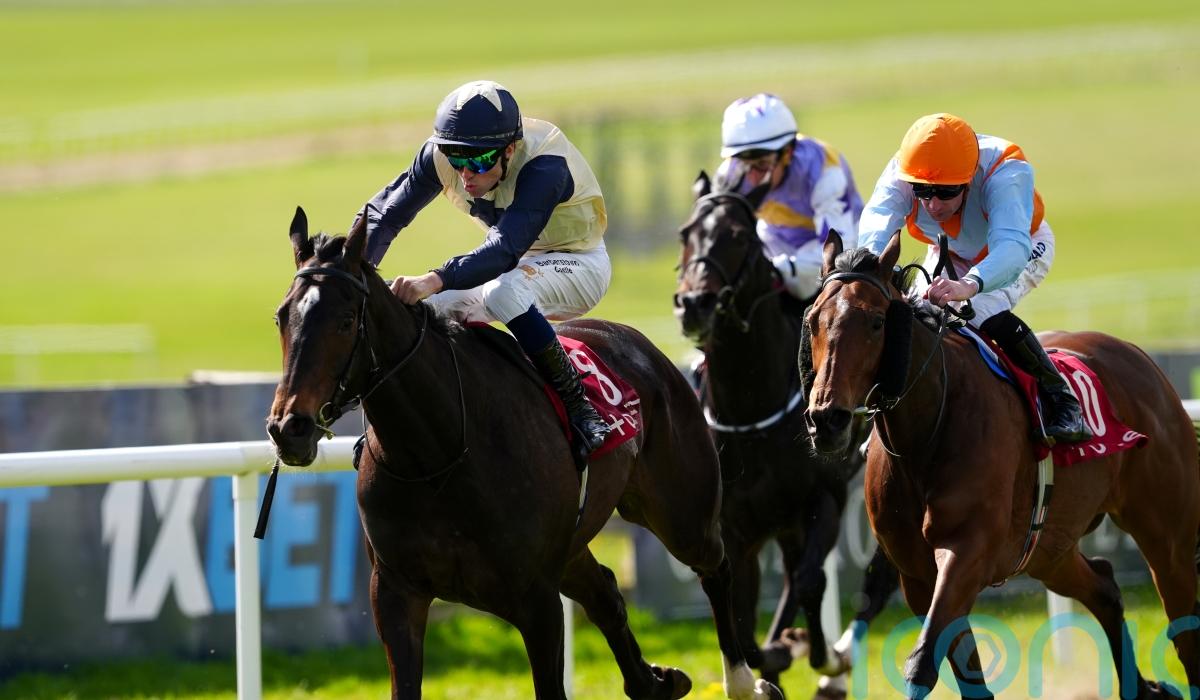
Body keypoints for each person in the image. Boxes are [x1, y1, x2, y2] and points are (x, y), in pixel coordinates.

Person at [353, 80, 610, 464]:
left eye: (477, 161)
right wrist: (353, 272)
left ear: (510, 150)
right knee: (419, 312)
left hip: (579, 262)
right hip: (515, 264)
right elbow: (383, 216)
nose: (465, 174)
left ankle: (579, 407)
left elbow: (504, 250)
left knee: (503, 293)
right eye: (455, 159)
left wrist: (433, 278)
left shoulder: (545, 165)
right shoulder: (443, 156)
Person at [857, 112, 1091, 445]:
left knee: (978, 309)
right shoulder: (905, 169)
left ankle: (1061, 398)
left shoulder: (1006, 169)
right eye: (923, 191)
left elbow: (1011, 247)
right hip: (950, 250)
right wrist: (870, 270)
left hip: (1022, 247)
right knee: (915, 315)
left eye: (945, 191)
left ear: (969, 180)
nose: (933, 205)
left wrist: (969, 284)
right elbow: (876, 225)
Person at [714, 93, 864, 301]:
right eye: (743, 163)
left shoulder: (825, 172)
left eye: (762, 164)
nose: (753, 177)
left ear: (787, 153)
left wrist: (783, 268)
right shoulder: (730, 173)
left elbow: (838, 250)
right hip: (774, 240)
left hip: (837, 243)